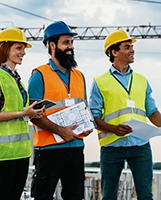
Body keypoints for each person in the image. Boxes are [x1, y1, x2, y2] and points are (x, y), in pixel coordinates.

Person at [89, 29, 161, 200]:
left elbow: (152, 110)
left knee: (145, 195)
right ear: (114, 52)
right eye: (127, 47)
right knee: (109, 195)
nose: (132, 50)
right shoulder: (99, 82)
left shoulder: (142, 80)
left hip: (140, 144)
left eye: (132, 47)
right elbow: (93, 117)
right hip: (112, 146)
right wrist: (113, 128)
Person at [28, 21, 93, 200]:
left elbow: (83, 108)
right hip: (49, 150)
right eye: (66, 42)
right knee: (43, 196)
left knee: (75, 196)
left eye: (72, 42)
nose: (70, 47)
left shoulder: (79, 76)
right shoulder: (39, 75)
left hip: (76, 148)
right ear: (52, 45)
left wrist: (86, 126)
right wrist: (60, 131)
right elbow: (33, 115)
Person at [0, 27, 44, 200]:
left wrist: (32, 113)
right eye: (19, 48)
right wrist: (21, 113)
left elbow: (18, 112)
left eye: (23, 49)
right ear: (5, 49)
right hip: (3, 153)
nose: (23, 52)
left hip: (20, 152)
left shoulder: (17, 80)